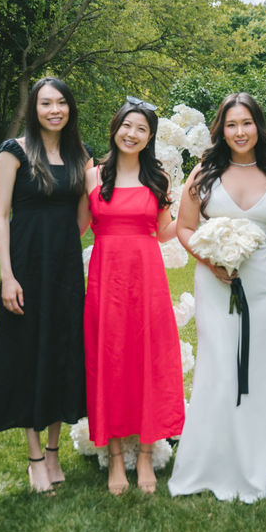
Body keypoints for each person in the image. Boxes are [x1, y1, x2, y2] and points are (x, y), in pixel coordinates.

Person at [168, 92, 266, 503]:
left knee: (264, 367)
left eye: (247, 123)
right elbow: (184, 228)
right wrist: (210, 260)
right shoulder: (204, 174)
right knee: (221, 367)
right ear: (221, 130)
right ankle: (217, 458)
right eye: (231, 124)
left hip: (263, 286)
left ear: (258, 127)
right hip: (216, 284)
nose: (240, 131)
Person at [0, 77, 92, 493]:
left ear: (70, 108)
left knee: (62, 354)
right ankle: (33, 458)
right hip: (24, 267)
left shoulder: (80, 155)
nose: (54, 110)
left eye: (61, 102)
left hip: (64, 270)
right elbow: (1, 216)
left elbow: (84, 216)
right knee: (28, 354)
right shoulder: (13, 152)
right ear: (34, 109)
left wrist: (62, 246)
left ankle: (53, 451)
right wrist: (8, 276)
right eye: (46, 103)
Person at [83, 97, 184, 496]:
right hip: (106, 281)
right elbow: (75, 227)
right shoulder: (93, 176)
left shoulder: (158, 178)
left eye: (141, 129)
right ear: (115, 128)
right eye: (127, 125)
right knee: (108, 361)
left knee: (148, 361)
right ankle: (113, 457)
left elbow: (164, 231)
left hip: (147, 281)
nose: (132, 133)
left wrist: (195, 211)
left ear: (150, 136)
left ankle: (144, 454)